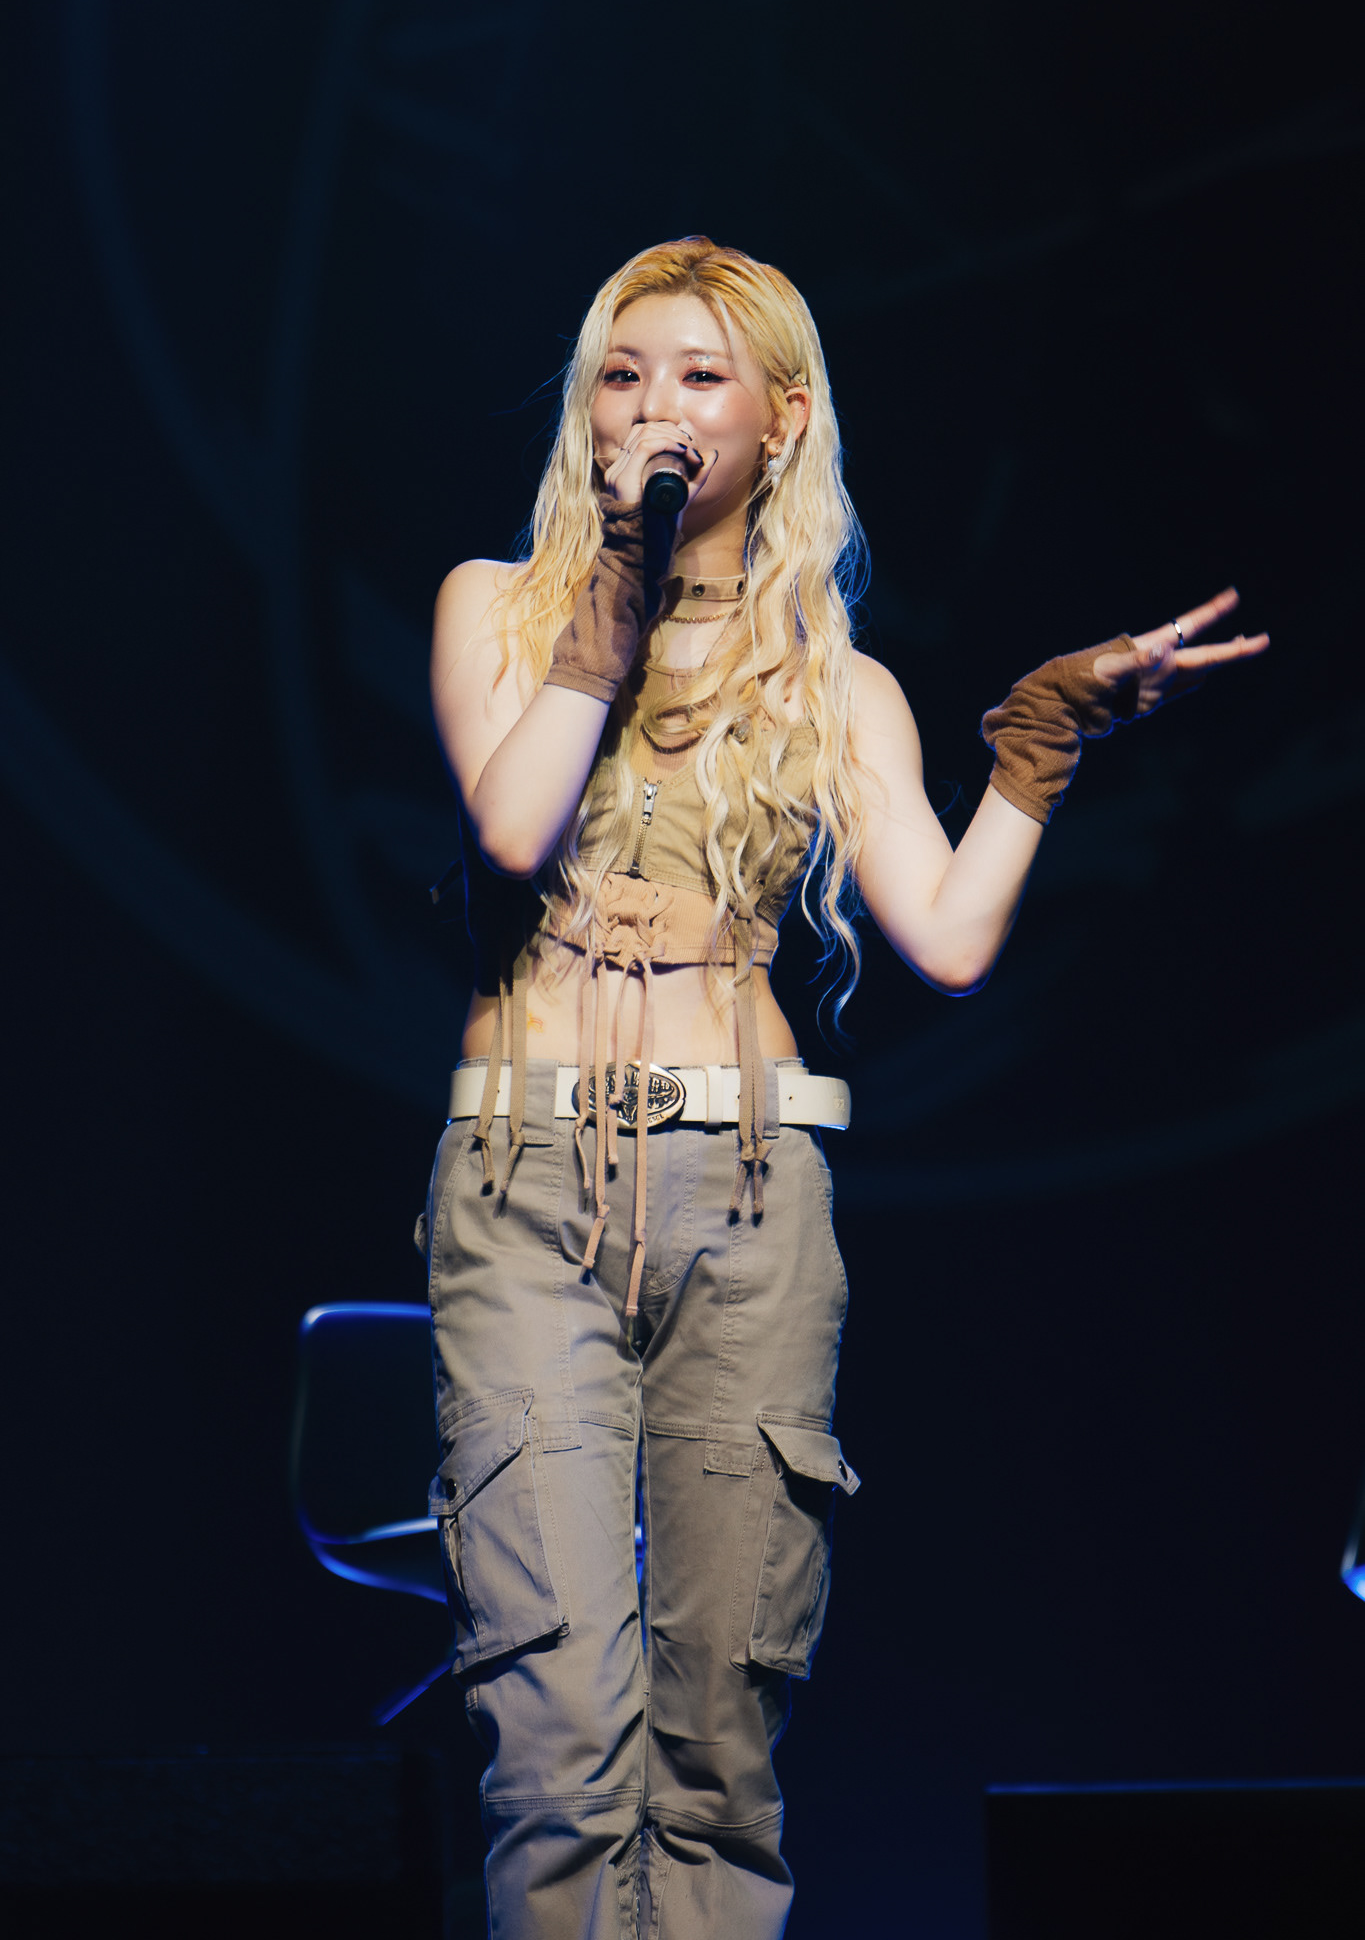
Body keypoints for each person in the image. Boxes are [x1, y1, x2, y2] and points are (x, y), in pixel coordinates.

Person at [422, 236, 1267, 1939]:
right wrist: (620, 586)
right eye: (620, 375)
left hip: (747, 1199)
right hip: (526, 1191)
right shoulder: (498, 608)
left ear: (784, 417)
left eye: (698, 375)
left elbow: (946, 939)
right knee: (557, 1737)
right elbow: (512, 828)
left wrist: (1038, 745)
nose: (652, 406)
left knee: (718, 1747)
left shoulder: (833, 682)